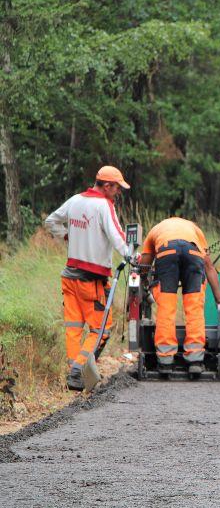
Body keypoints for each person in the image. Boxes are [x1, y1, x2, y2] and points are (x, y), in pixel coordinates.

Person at [45, 166, 132, 391]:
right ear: (107, 186)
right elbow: (118, 237)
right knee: (100, 328)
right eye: (117, 188)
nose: (118, 193)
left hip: (69, 277)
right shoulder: (104, 205)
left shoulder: (75, 201)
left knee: (74, 327)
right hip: (91, 282)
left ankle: (74, 376)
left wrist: (66, 235)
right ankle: (79, 369)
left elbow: (50, 221)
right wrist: (134, 256)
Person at [138, 217, 220, 374]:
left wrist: (144, 285)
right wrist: (219, 298)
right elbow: (209, 266)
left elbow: (144, 265)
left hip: (166, 251)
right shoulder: (194, 229)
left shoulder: (157, 229)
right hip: (193, 252)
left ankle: (165, 360)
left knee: (166, 308)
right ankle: (195, 359)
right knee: (194, 307)